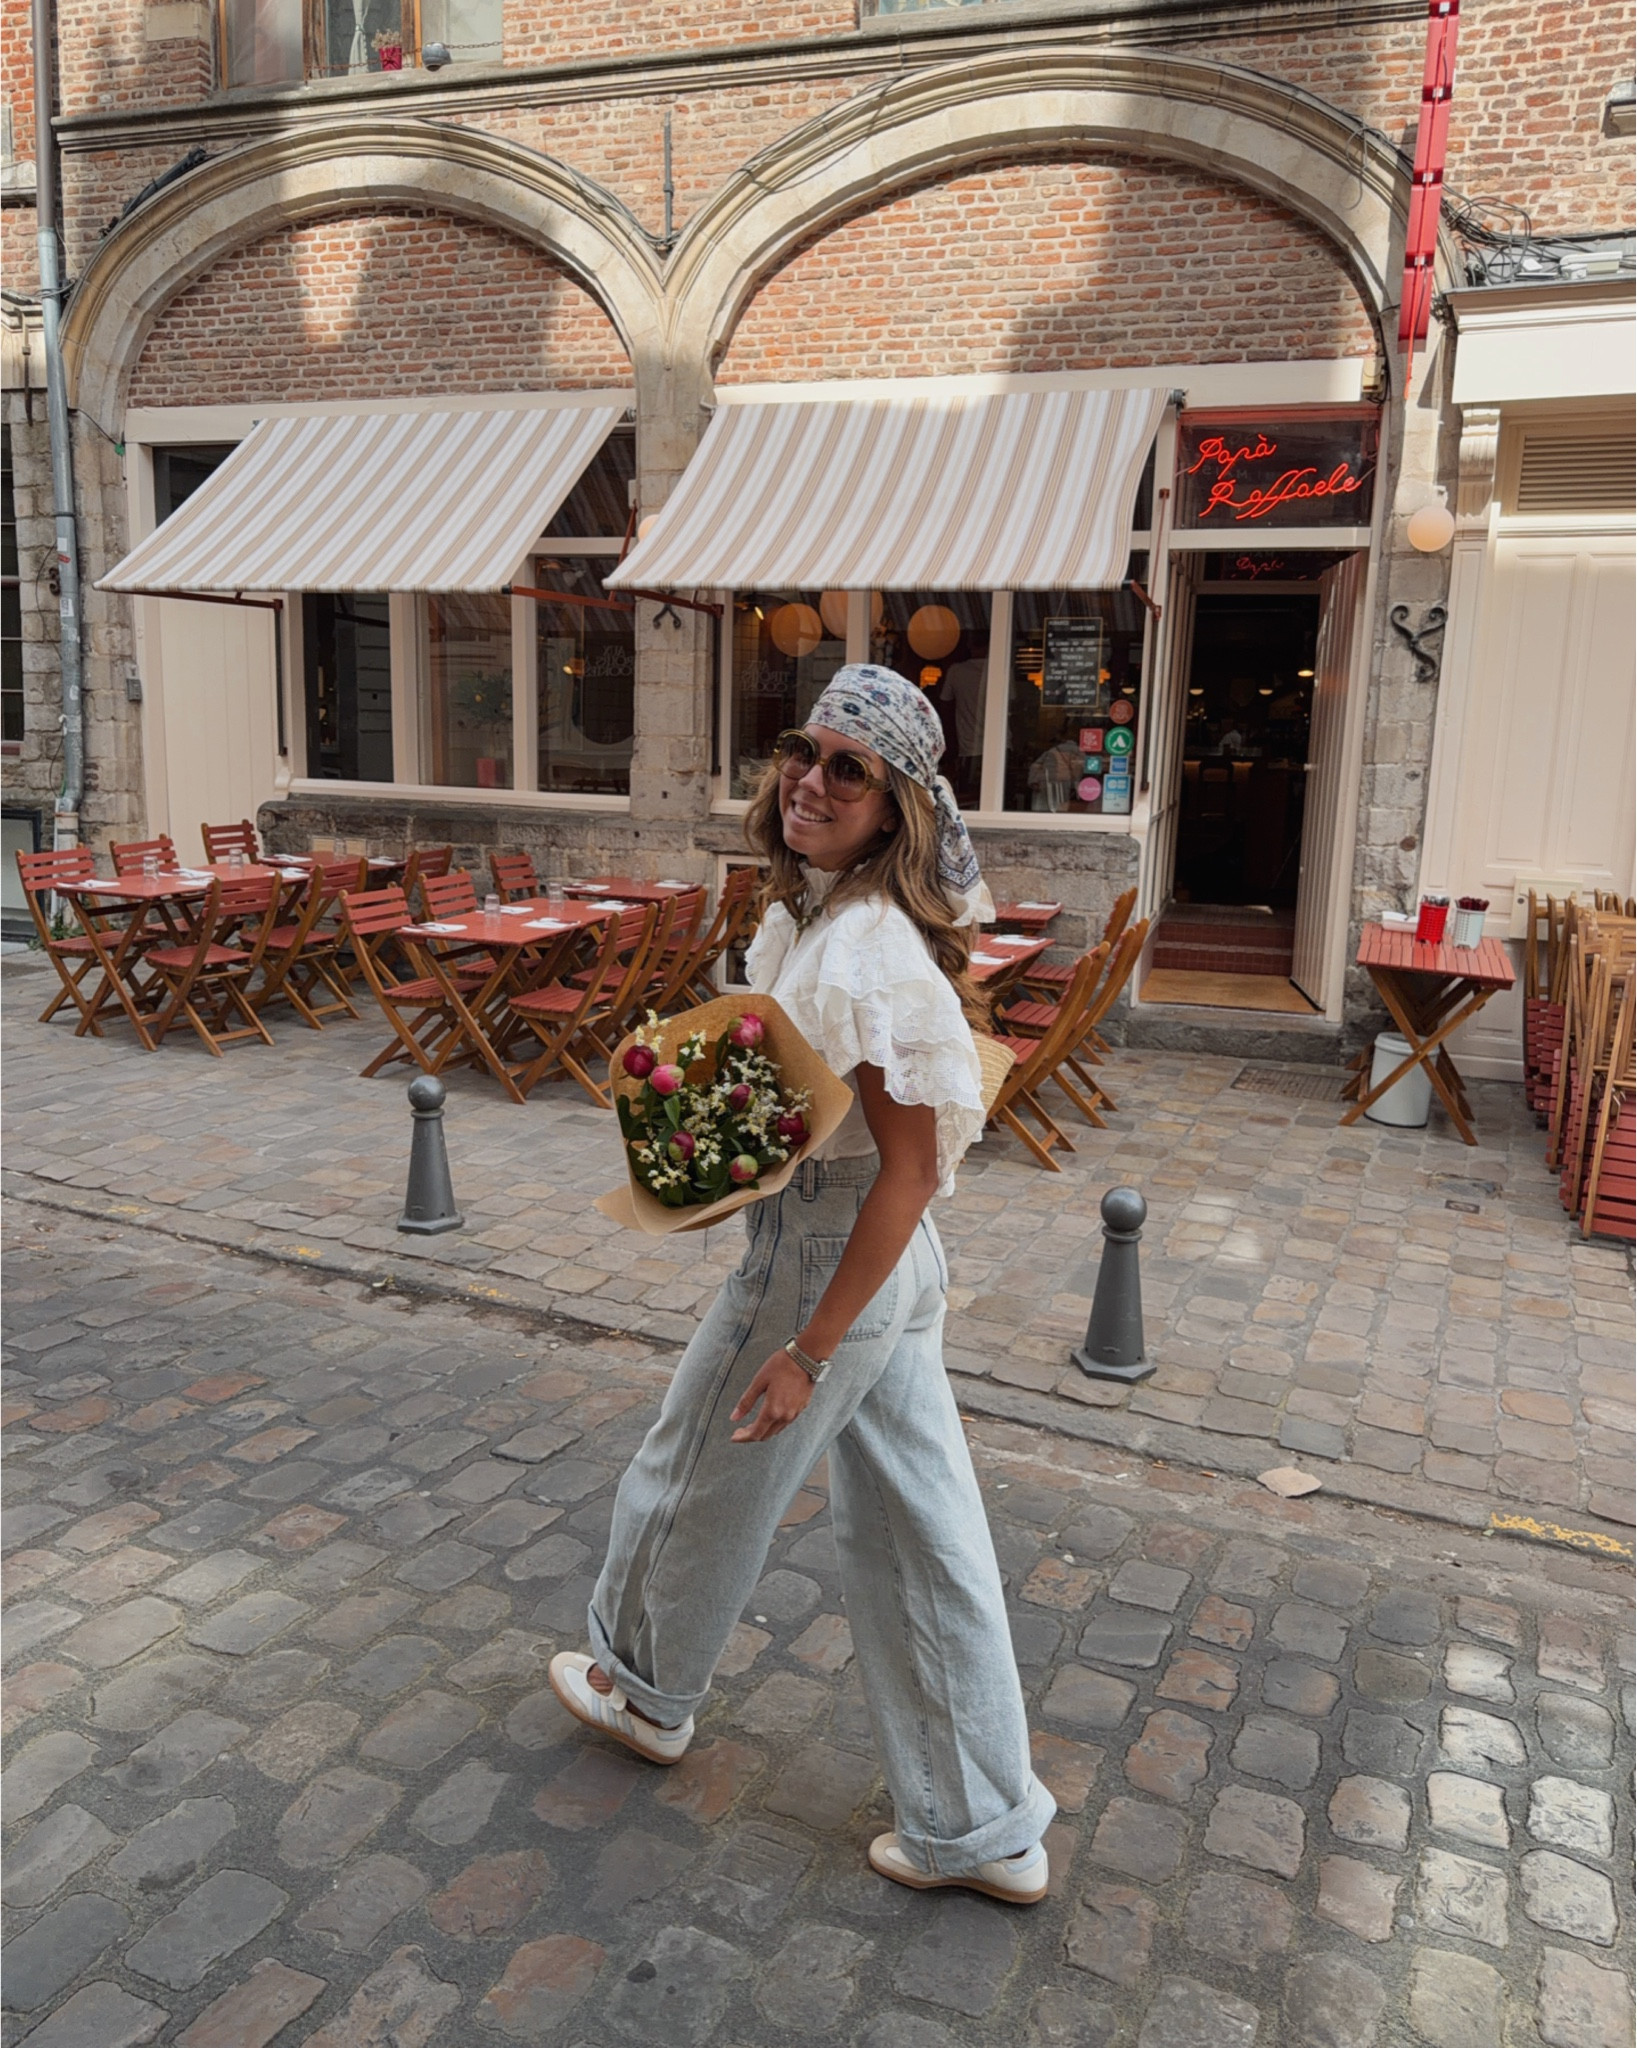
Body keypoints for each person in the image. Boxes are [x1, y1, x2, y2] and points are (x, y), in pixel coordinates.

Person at [548, 663, 1056, 1903]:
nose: (809, 781)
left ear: (894, 809)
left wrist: (807, 1349)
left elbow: (910, 1168)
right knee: (922, 1537)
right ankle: (984, 1825)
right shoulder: (836, 919)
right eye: (803, 750)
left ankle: (641, 1691)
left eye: (848, 769)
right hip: (880, 1269)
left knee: (692, 1474)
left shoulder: (866, 949)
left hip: (831, 1262)